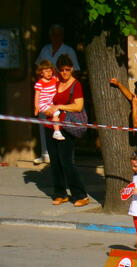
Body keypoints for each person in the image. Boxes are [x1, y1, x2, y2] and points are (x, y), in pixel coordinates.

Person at [43, 54, 89, 207]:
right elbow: (45, 98)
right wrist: (47, 109)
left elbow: (78, 106)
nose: (64, 73)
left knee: (67, 162)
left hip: (66, 127)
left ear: (72, 69)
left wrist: (60, 107)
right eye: (61, 70)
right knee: (55, 162)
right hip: (50, 125)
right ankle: (60, 193)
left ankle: (80, 194)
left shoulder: (76, 85)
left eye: (67, 70)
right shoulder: (54, 83)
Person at [34, 24, 81, 165]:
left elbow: (76, 70)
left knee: (61, 122)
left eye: (58, 34)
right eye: (53, 35)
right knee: (44, 122)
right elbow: (38, 67)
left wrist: (67, 86)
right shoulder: (45, 49)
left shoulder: (68, 50)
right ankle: (45, 153)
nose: (56, 37)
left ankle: (66, 156)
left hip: (60, 90)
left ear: (62, 36)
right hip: (46, 92)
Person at [34, 60, 64, 141]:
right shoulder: (40, 83)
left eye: (50, 71)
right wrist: (37, 107)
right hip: (43, 104)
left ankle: (56, 131)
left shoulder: (54, 79)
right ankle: (57, 132)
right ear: (41, 73)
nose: (49, 73)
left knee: (58, 112)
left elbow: (60, 82)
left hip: (51, 103)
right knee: (56, 113)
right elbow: (37, 96)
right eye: (46, 71)